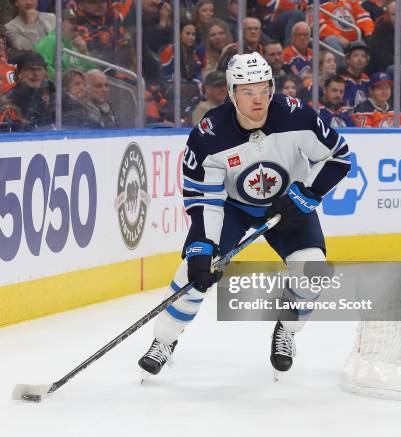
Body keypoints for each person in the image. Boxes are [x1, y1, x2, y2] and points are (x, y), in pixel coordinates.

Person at [137, 52, 351, 378]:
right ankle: (164, 340)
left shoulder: (298, 117)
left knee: (314, 271)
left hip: (287, 207)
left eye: (264, 89)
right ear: (231, 91)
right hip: (234, 208)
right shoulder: (209, 135)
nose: (258, 99)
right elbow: (203, 199)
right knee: (193, 271)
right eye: (248, 91)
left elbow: (339, 157)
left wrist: (307, 194)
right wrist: (203, 247)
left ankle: (287, 330)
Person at [34, 8, 93, 79]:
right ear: (60, 24)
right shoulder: (50, 40)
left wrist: (84, 52)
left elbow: (90, 72)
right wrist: (64, 80)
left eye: (77, 22)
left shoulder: (75, 47)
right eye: (72, 22)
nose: (76, 26)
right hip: (56, 88)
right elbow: (42, 66)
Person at [339, 40, 370, 107]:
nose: (360, 59)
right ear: (348, 59)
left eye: (363, 56)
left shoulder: (366, 79)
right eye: (356, 55)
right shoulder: (340, 79)